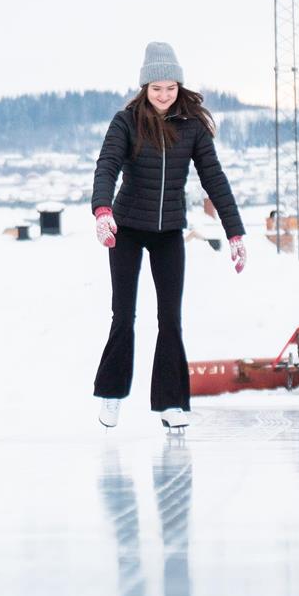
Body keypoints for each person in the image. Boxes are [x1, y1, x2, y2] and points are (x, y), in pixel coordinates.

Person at [90, 42, 246, 430]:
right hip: (125, 229)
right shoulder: (125, 121)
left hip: (168, 231)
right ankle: (111, 395)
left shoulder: (191, 127)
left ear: (179, 87)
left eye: (170, 88)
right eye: (156, 88)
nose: (163, 95)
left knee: (170, 319)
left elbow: (214, 179)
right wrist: (102, 209)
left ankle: (170, 403)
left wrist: (235, 232)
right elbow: (107, 164)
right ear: (145, 87)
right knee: (123, 314)